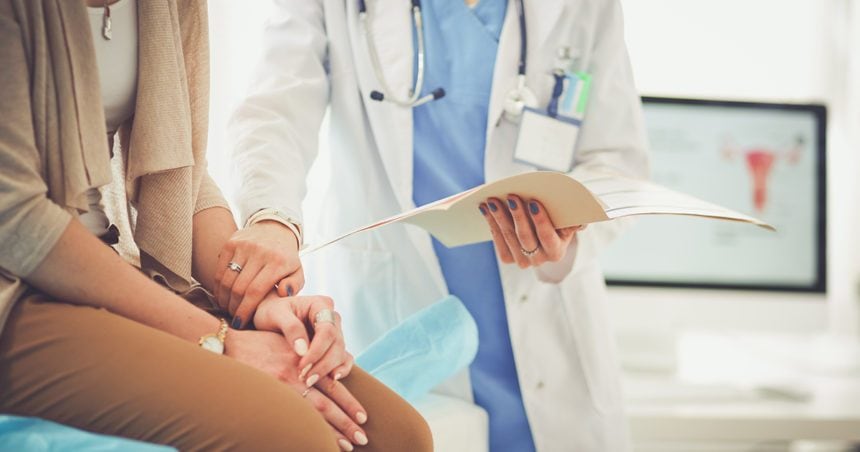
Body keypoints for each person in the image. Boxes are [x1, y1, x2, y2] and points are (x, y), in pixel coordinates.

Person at [0, 1, 432, 451]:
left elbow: (179, 171)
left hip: (109, 263)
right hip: (17, 287)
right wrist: (220, 340)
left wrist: (255, 301)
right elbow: (15, 216)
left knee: (399, 438)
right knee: (294, 439)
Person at [224, 0, 649, 450]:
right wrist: (272, 216)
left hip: (547, 323)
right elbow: (274, 111)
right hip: (400, 315)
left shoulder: (584, 8)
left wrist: (568, 223)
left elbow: (618, 160)